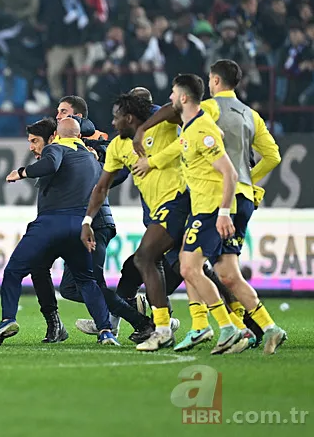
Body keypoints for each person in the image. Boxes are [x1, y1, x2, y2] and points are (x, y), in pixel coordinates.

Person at [135, 61, 286, 355]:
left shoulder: (209, 111)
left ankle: (213, 326)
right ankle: (265, 327)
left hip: (214, 199)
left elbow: (185, 132)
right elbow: (273, 156)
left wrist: (145, 135)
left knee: (189, 265)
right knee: (226, 272)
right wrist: (248, 179)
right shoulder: (250, 114)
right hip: (242, 195)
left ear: (214, 81)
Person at [0, 118, 119, 347]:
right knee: (87, 281)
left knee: (14, 271)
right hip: (79, 226)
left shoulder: (55, 149)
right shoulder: (91, 159)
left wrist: (22, 172)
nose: (32, 147)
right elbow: (109, 181)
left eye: (34, 141)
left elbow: (50, 165)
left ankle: (8, 319)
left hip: (49, 224)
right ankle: (105, 330)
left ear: (56, 135)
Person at [81, 92, 189, 351]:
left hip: (181, 201)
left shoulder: (163, 127)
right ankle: (248, 324)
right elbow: (102, 187)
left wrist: (143, 130)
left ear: (129, 117)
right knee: (189, 268)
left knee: (146, 260)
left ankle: (161, 326)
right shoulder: (118, 146)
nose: (113, 123)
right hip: (158, 212)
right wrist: (87, 220)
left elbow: (177, 107)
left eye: (116, 118)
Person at [166, 73, 243, 355]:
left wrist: (223, 213)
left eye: (174, 94)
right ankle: (218, 327)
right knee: (190, 269)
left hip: (212, 210)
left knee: (189, 269)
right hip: (201, 210)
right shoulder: (193, 128)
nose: (171, 98)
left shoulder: (200, 130)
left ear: (184, 97)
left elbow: (230, 173)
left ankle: (227, 327)